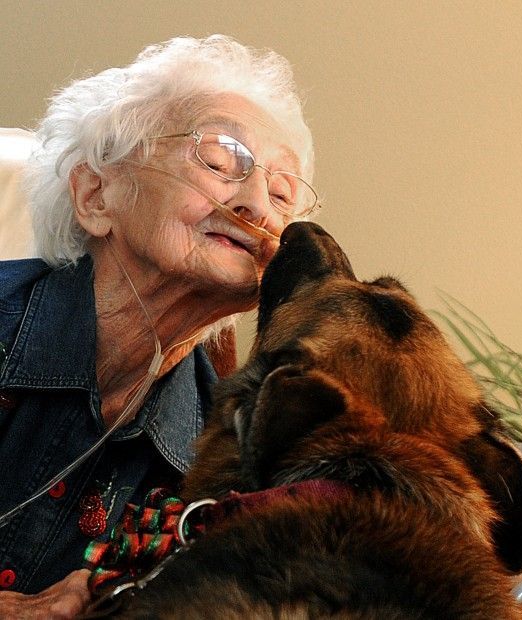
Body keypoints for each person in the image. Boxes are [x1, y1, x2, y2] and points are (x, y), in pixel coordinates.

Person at [0, 34, 317, 618]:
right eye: (220, 161)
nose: (258, 207)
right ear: (97, 196)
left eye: (281, 192)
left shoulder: (222, 458)